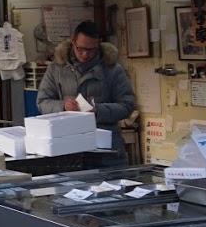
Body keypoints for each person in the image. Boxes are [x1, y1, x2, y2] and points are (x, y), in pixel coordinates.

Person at [36, 21, 136, 162]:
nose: (85, 54)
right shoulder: (56, 68)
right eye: (80, 48)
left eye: (91, 50)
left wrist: (99, 111)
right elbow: (42, 102)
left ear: (98, 45)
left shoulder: (113, 69)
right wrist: (63, 106)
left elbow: (128, 105)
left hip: (106, 147)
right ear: (73, 40)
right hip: (67, 145)